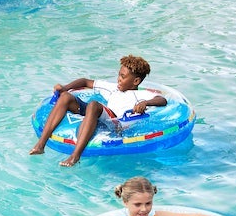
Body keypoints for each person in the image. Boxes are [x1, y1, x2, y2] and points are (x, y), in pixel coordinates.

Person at [28, 55, 165, 167]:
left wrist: (145, 103)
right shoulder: (113, 88)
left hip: (115, 122)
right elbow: (85, 82)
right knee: (66, 97)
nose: (119, 79)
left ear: (135, 81)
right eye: (119, 75)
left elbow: (162, 100)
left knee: (93, 105)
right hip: (101, 114)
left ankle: (75, 156)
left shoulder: (142, 95)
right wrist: (65, 88)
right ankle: (40, 145)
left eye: (123, 77)